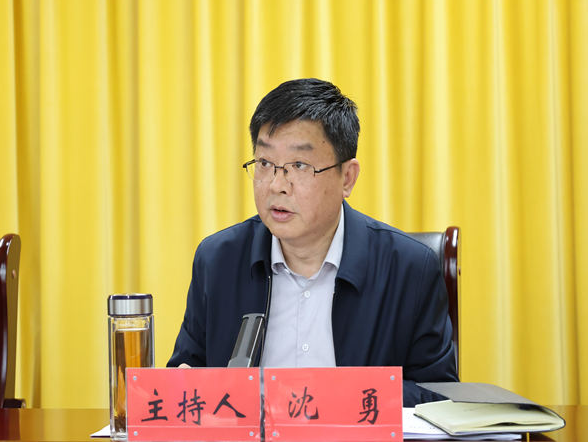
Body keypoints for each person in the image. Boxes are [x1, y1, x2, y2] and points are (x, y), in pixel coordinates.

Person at [167, 78, 457, 406]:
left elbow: (440, 397)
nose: (277, 185)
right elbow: (185, 376)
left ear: (347, 178)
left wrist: (336, 398)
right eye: (265, 163)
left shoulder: (409, 269)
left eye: (299, 166)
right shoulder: (218, 260)